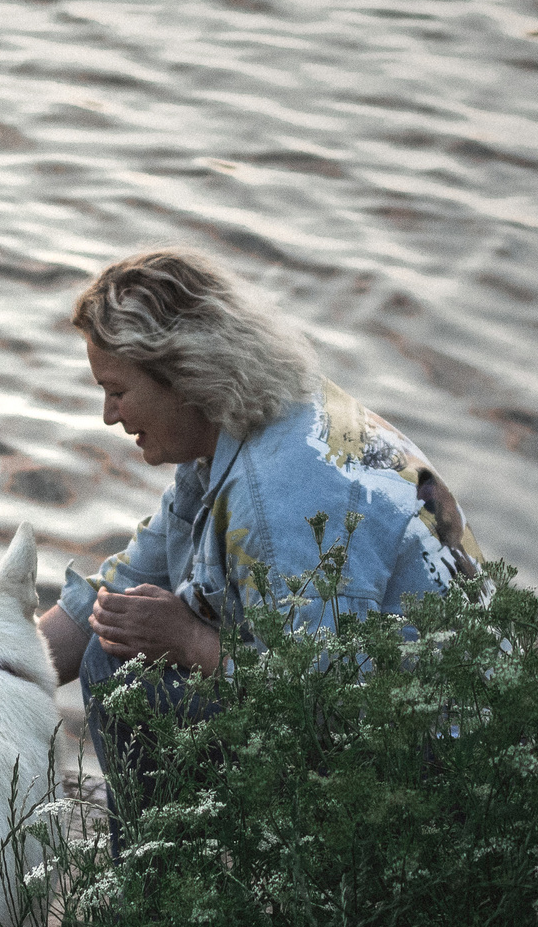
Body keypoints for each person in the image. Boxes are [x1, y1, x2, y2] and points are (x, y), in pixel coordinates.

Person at [34, 247, 483, 815]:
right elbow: (114, 593)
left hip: (434, 766)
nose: (108, 415)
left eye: (117, 390)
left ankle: (154, 886)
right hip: (402, 712)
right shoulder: (248, 425)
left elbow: (335, 704)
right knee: (125, 632)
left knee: (121, 669)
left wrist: (192, 643)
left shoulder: (279, 499)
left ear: (181, 375)